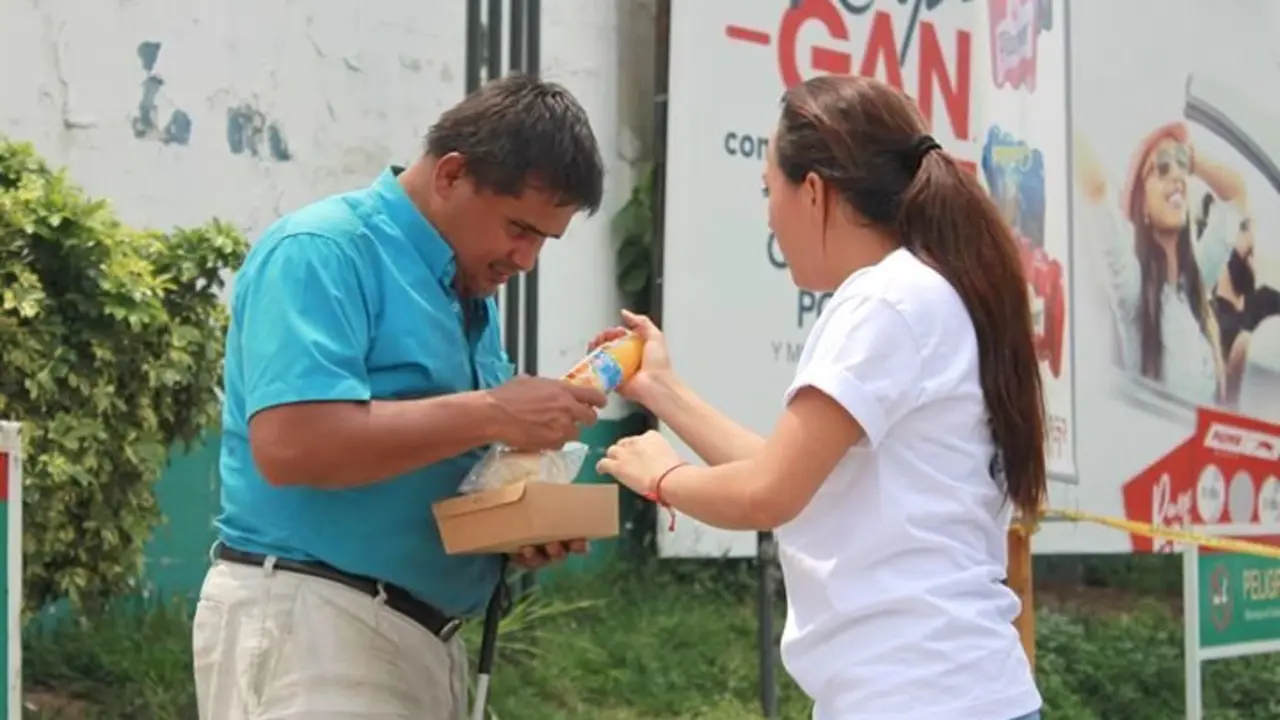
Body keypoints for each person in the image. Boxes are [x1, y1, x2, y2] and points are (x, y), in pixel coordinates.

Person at [594, 75, 1045, 720]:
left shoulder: (882, 300)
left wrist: (662, 476)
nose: (768, 215)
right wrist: (660, 390)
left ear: (812, 191)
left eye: (767, 190)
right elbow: (790, 473)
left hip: (919, 696)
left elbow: (768, 494)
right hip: (948, 690)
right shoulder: (923, 291)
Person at [192, 74, 608, 719]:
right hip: (315, 624)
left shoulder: (464, 288)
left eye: (543, 241)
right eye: (518, 228)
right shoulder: (323, 251)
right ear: (451, 174)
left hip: (420, 637)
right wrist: (496, 411)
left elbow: (431, 456)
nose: (524, 259)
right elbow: (293, 445)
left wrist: (514, 524)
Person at [1075, 122, 1248, 405]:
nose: (1176, 175)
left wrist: (1192, 160)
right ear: (1142, 205)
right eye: (1162, 168)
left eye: (1180, 164)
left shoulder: (1196, 277)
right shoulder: (1133, 287)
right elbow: (1095, 187)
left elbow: (1236, 195)